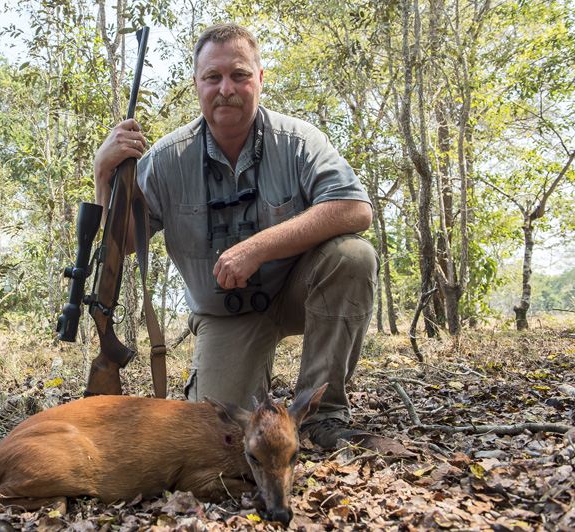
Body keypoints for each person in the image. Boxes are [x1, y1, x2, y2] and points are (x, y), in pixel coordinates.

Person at [92, 23, 378, 448]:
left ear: (259, 79)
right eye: (213, 77)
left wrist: (258, 247)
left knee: (353, 256)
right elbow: (125, 243)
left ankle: (322, 415)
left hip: (298, 292)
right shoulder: (166, 159)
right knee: (216, 436)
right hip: (224, 316)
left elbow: (355, 208)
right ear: (196, 84)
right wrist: (103, 174)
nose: (226, 89)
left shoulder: (299, 141)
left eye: (239, 75)